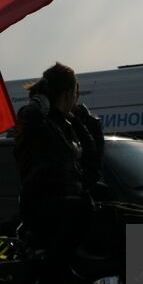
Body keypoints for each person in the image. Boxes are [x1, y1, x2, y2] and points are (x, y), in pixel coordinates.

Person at [13, 62, 106, 258]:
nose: (76, 101)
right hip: (50, 215)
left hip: (64, 211)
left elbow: (92, 165)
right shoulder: (37, 121)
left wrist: (84, 123)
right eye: (75, 95)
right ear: (67, 94)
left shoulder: (66, 124)